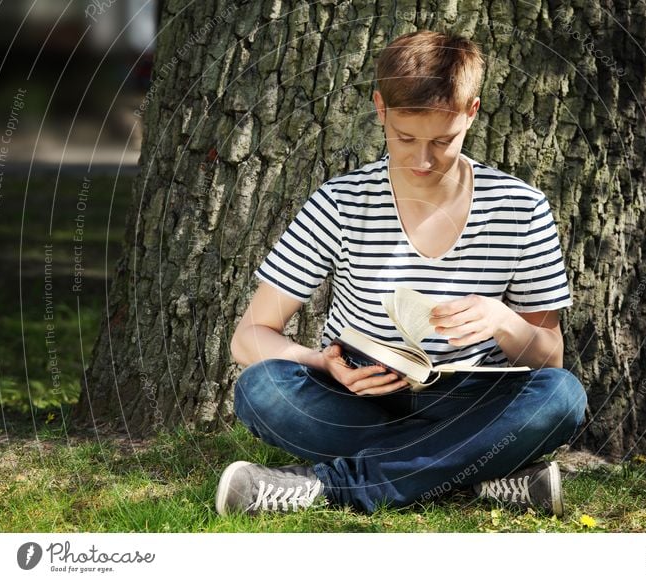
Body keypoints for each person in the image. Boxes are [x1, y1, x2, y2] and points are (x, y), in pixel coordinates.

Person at [215, 30, 587, 518]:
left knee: (560, 397)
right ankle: (475, 475)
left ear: (472, 112)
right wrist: (322, 363)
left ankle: (330, 487)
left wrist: (502, 320)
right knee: (261, 389)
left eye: (442, 140)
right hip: (359, 396)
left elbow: (549, 358)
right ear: (380, 109)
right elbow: (249, 336)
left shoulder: (521, 208)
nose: (422, 159)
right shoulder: (342, 201)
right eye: (405, 138)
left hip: (470, 400)